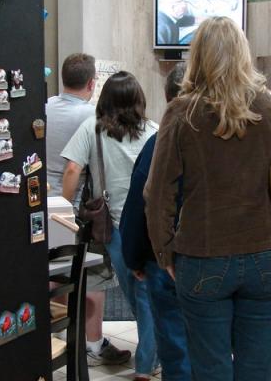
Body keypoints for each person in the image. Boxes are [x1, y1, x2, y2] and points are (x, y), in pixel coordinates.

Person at [145, 16, 271, 381]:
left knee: (210, 369)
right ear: (243, 53)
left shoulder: (181, 111)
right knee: (257, 368)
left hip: (202, 256)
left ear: (198, 56)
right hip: (267, 254)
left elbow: (158, 194)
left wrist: (165, 253)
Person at [61, 71, 159, 381]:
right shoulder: (154, 130)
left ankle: (147, 363)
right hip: (150, 225)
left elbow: (72, 169)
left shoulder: (92, 128)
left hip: (113, 226)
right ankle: (149, 360)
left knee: (137, 295)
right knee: (145, 296)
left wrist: (63, 209)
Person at [44, 53, 131, 367]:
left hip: (41, 201)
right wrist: (68, 208)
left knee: (53, 269)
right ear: (93, 83)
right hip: (77, 206)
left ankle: (53, 335)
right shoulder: (92, 117)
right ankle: (92, 344)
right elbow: (78, 168)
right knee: (93, 274)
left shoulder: (43, 108)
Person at [120, 63, 191, 381]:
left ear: (167, 98)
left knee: (176, 349)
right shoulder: (223, 140)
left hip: (164, 259)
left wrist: (135, 257)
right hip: (215, 259)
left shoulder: (159, 142)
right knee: (213, 349)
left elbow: (140, 204)